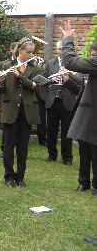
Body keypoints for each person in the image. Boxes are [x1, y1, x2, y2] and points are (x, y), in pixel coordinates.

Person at [0, 37, 42, 188]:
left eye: (32, 52)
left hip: (27, 110)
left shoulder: (35, 68)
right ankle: (9, 176)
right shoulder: (5, 65)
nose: (30, 55)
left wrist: (19, 76)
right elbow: (0, 91)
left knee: (23, 146)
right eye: (28, 52)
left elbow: (36, 88)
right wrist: (1, 82)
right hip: (11, 110)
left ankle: (20, 176)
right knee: (9, 145)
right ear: (20, 51)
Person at [60, 21, 97, 196]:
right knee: (84, 150)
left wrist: (68, 38)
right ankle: (84, 182)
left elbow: (69, 60)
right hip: (87, 113)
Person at [44, 40, 82, 165]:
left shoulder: (74, 64)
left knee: (67, 131)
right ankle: (52, 155)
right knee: (51, 130)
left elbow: (80, 83)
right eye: (59, 49)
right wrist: (51, 79)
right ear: (56, 50)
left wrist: (69, 75)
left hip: (67, 101)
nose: (60, 51)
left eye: (62, 48)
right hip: (53, 100)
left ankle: (67, 158)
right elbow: (43, 81)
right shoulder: (50, 63)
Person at [0, 42, 18, 158]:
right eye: (16, 51)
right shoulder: (4, 64)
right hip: (8, 98)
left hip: (19, 98)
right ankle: (4, 148)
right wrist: (1, 81)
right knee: (7, 125)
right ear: (12, 50)